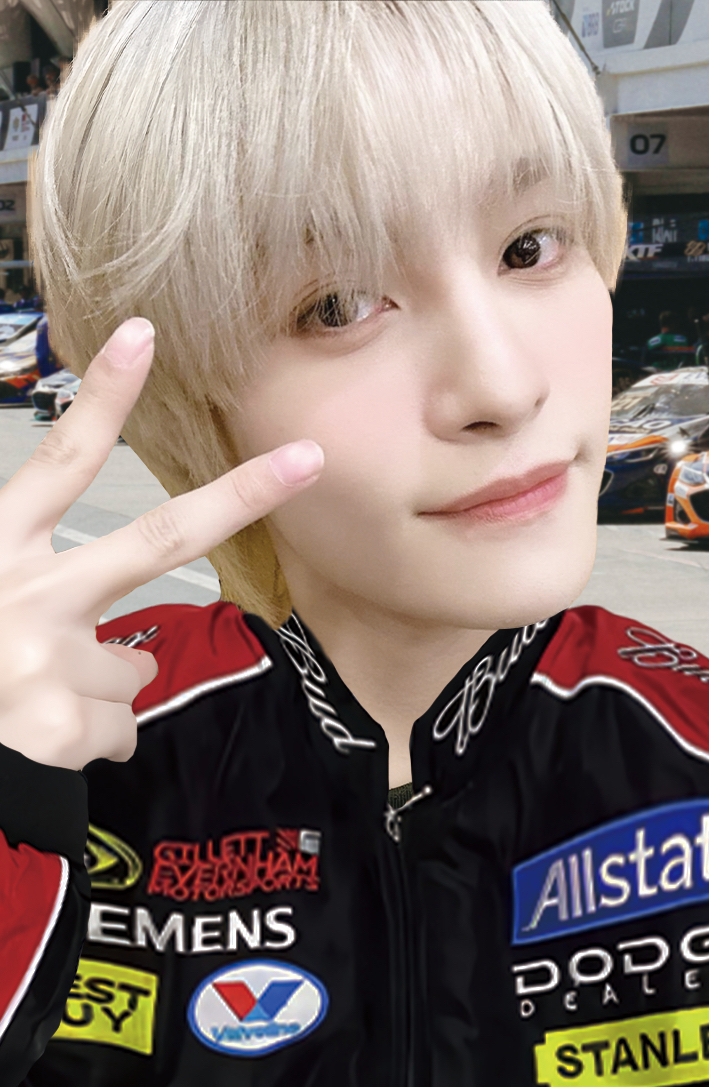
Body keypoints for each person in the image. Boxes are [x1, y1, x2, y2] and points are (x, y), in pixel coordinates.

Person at [1, 2, 709, 1085]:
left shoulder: (683, 738)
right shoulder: (75, 757)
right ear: (188, 393)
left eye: (530, 246)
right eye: (336, 305)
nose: (503, 385)